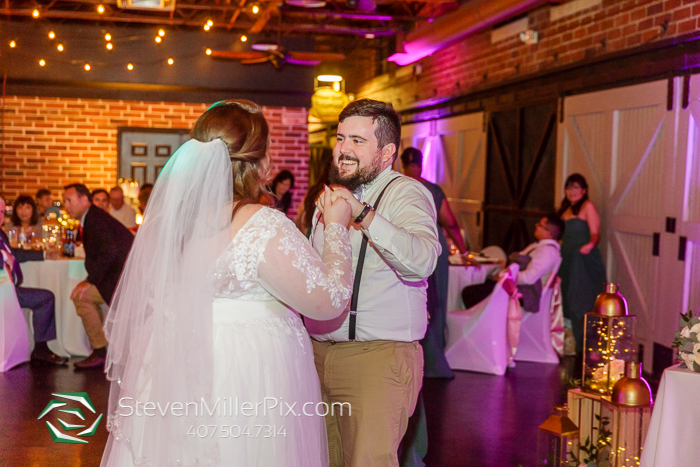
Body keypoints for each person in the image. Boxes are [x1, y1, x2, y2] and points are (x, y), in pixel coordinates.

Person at [100, 100, 354, 467]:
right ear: (261, 162)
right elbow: (327, 301)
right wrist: (336, 228)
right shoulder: (262, 224)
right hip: (245, 373)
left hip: (178, 364)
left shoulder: (174, 224)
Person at [305, 99, 441, 467]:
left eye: (358, 141)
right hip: (318, 357)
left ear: (387, 152)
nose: (344, 149)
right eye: (340, 138)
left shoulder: (406, 193)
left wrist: (364, 215)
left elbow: (423, 260)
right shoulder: (331, 196)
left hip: (376, 359)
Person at [401, 147, 467, 379]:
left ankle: (409, 358)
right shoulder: (433, 189)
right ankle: (435, 361)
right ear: (421, 164)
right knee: (434, 299)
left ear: (402, 164)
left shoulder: (396, 185)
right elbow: (450, 222)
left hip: (406, 245)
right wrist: (464, 250)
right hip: (432, 248)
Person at [62, 184, 134, 370]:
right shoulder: (93, 217)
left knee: (80, 296)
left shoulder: (94, 219)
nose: (66, 205)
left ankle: (101, 352)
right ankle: (103, 350)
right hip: (122, 277)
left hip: (122, 281)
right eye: (64, 201)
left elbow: (110, 252)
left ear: (84, 200)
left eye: (69, 200)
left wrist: (90, 281)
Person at [0, 195, 68, 366]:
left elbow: (16, 254)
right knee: (44, 298)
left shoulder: (1, 233)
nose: (0, 215)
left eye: (1, 211)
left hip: (9, 288)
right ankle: (41, 350)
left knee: (45, 297)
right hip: (3, 291)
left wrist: (44, 254)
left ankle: (40, 349)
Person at [461, 214, 565, 311]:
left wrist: (503, 276)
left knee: (470, 292)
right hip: (517, 287)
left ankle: (485, 324)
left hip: (523, 293)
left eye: (540, 225)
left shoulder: (548, 252)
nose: (536, 225)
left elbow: (528, 278)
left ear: (549, 232)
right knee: (482, 285)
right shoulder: (540, 246)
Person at [557, 173, 606, 352]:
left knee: (581, 298)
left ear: (584, 190)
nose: (572, 191)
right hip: (566, 259)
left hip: (582, 260)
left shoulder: (588, 206)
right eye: (569, 187)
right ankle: (569, 342)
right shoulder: (565, 209)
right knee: (565, 298)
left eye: (576, 187)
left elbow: (595, 233)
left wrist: (590, 245)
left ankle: (586, 345)